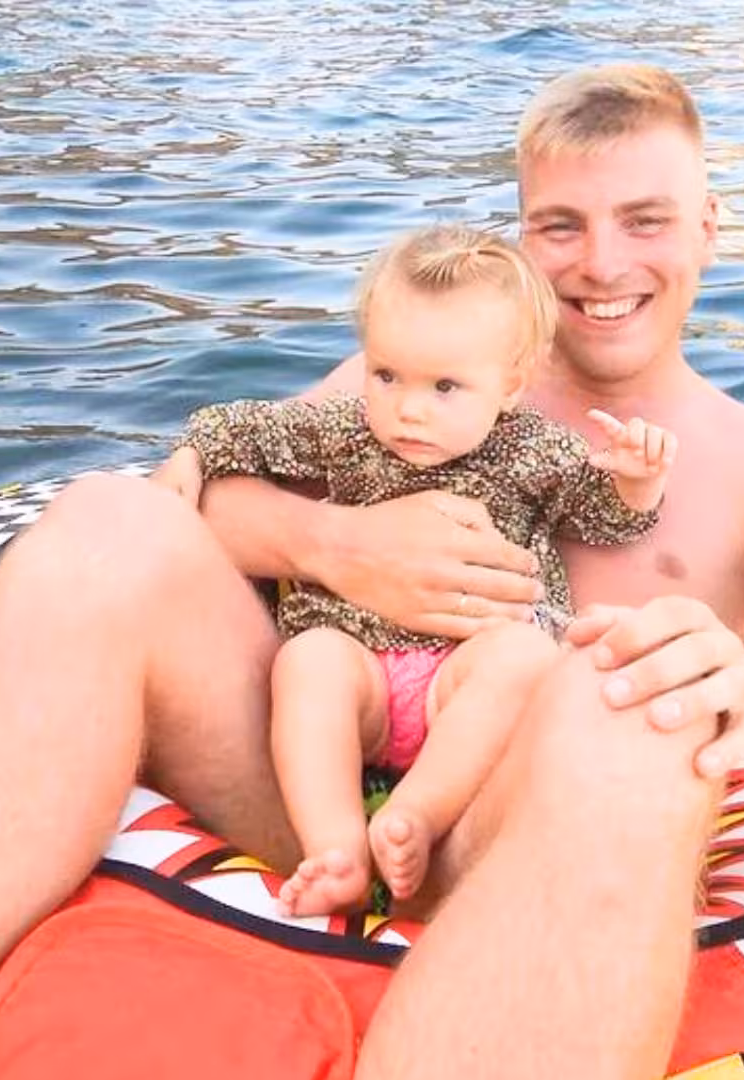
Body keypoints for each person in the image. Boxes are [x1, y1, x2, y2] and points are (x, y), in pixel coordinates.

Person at [0, 63, 744, 1080]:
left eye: (646, 219)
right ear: (521, 241)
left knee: (639, 709)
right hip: (318, 777)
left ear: (710, 228)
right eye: (560, 225)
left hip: (521, 828)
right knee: (103, 523)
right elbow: (193, 484)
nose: (600, 262)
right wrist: (333, 545)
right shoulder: (427, 382)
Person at [153, 223, 677, 914]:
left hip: (460, 677)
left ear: (511, 383)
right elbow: (248, 428)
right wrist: (191, 454)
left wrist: (636, 484)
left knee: (521, 657)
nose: (407, 408)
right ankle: (334, 844)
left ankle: (419, 818)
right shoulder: (346, 431)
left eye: (445, 387)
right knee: (308, 661)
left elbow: (603, 516)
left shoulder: (537, 451)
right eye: (387, 374)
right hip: (361, 667)